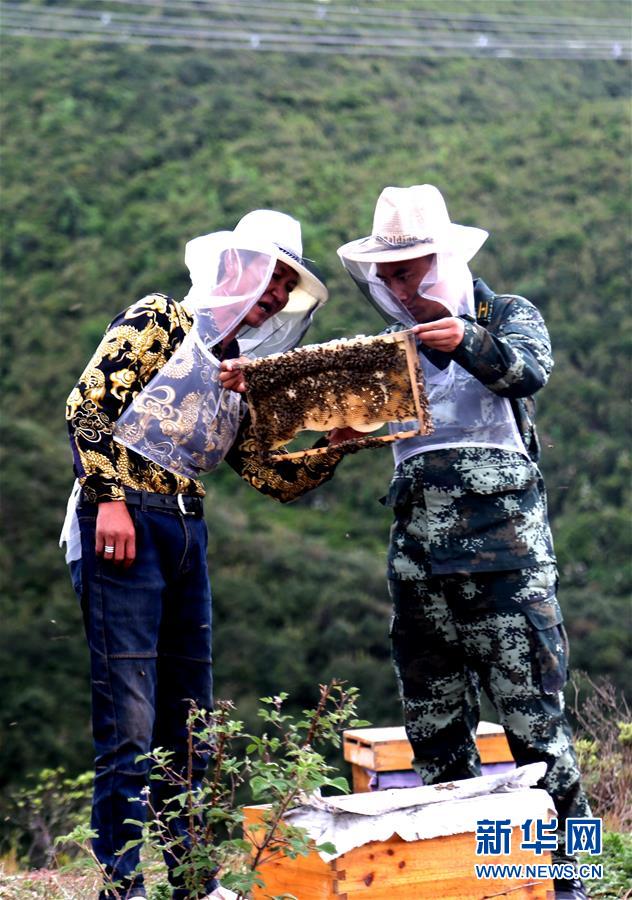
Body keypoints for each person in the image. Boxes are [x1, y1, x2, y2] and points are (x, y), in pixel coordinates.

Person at [61, 210, 346, 900]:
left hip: (187, 528)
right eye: (272, 277)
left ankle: (193, 878)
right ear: (235, 266)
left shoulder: (233, 366)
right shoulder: (161, 319)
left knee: (191, 719)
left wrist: (335, 447)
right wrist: (111, 501)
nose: (276, 295)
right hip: (123, 520)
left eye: (286, 286)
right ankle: (123, 885)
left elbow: (266, 474)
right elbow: (86, 408)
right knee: (130, 716)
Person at [336, 184, 591, 900]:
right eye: (387, 275)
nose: (397, 286)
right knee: (436, 731)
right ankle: (476, 881)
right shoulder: (390, 348)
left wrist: (467, 340)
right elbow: (356, 425)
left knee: (535, 729)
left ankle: (573, 880)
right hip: (417, 563)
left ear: (442, 258)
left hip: (506, 559)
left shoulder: (505, 313)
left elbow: (529, 370)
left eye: (408, 270)